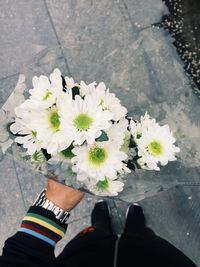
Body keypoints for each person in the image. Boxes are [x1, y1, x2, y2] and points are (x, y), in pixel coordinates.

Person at [0, 178, 197, 267]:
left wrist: (53, 205)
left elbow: (22, 259)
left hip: (83, 258)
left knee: (93, 236)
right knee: (144, 239)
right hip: (156, 260)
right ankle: (136, 228)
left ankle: (101, 225)